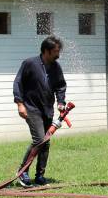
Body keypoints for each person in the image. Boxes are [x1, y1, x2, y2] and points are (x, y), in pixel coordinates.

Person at [12, 35, 67, 186]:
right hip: (31, 108)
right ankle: (22, 171)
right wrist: (19, 104)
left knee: (46, 142)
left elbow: (61, 86)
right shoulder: (30, 63)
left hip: (47, 109)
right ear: (46, 51)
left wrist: (61, 102)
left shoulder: (56, 67)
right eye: (56, 51)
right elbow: (18, 83)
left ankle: (40, 176)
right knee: (39, 140)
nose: (58, 54)